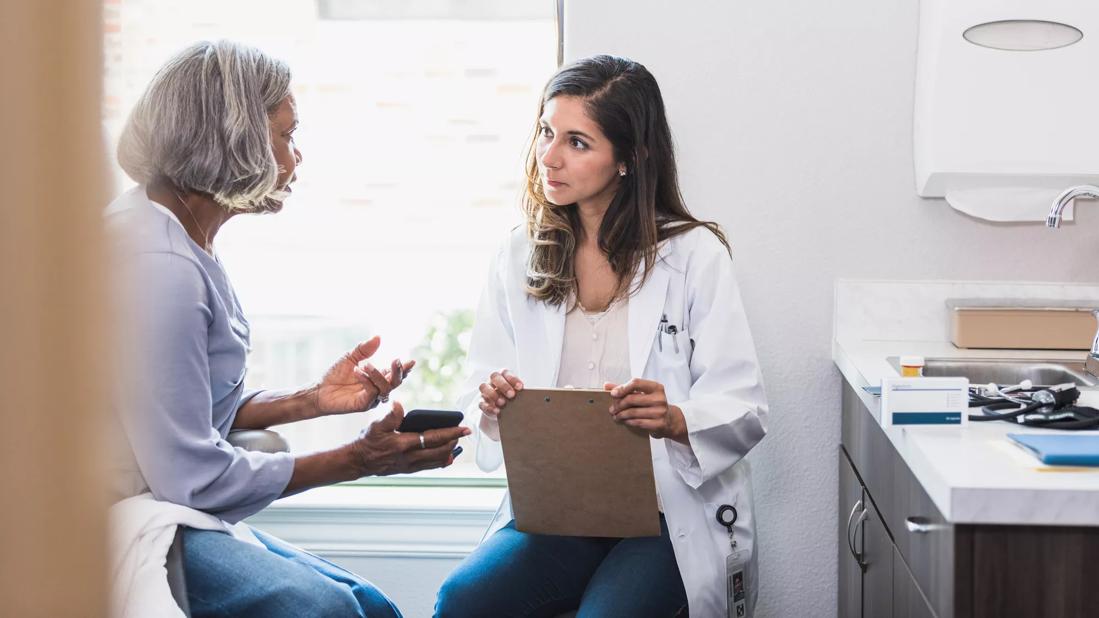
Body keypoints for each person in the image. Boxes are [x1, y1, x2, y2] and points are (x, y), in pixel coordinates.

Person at [108, 40, 469, 618]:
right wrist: (360, 460)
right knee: (329, 610)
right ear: (233, 137)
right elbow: (190, 479)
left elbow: (173, 410)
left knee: (371, 606)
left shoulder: (181, 236)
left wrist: (311, 401)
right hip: (117, 520)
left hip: (160, 500)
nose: (296, 157)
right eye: (286, 135)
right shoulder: (159, 267)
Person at [435, 55, 769, 617]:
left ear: (630, 158)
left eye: (577, 142)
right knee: (463, 600)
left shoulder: (694, 257)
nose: (549, 156)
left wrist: (676, 419)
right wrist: (492, 405)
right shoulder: (518, 253)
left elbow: (745, 406)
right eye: (546, 132)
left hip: (664, 516)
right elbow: (477, 397)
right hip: (556, 512)